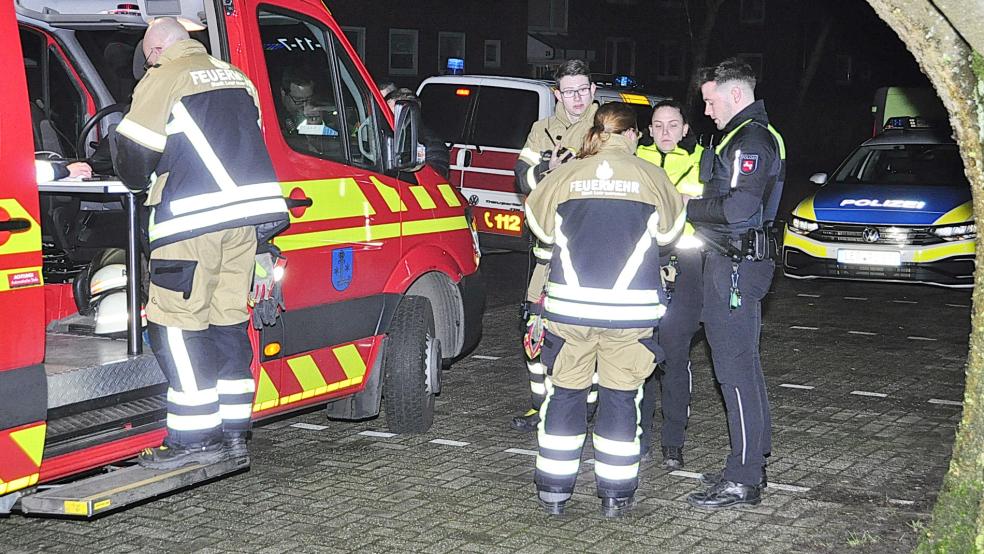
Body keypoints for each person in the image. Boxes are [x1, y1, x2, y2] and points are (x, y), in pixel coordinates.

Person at [112, 17, 289, 470]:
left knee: (177, 326)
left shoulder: (164, 77)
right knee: (228, 322)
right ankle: (233, 435)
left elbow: (135, 156)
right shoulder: (236, 76)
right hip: (244, 224)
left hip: (191, 226)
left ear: (154, 51)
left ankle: (192, 440)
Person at [526, 102, 685, 517]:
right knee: (619, 400)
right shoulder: (653, 177)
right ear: (632, 135)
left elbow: (539, 224)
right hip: (629, 318)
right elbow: (670, 232)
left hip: (569, 315)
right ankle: (615, 497)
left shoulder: (565, 175)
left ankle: (554, 494)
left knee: (564, 397)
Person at [684, 58, 785, 509]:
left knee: (734, 371)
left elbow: (740, 209)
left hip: (738, 267)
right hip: (731, 263)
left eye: (711, 100)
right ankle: (750, 460)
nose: (706, 110)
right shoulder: (738, 137)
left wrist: (685, 206)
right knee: (744, 367)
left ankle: (743, 478)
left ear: (736, 95)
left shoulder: (753, 140)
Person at [511, 59, 600, 433]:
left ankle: (588, 409)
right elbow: (521, 175)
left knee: (584, 332)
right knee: (534, 328)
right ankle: (540, 404)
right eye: (569, 91)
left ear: (593, 91)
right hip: (547, 252)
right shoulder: (541, 128)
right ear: (557, 93)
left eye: (583, 90)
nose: (577, 98)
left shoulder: (606, 126)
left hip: (590, 251)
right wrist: (548, 166)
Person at [635, 99, 704, 469]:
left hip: (687, 264)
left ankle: (673, 442)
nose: (665, 132)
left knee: (675, 355)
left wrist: (682, 200)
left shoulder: (701, 160)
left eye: (673, 125)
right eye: (658, 125)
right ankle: (640, 436)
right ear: (648, 129)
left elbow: (702, 202)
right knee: (643, 352)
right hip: (644, 264)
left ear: (685, 128)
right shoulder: (636, 157)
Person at [384, 87, 450, 178]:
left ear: (411, 115)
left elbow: (432, 178)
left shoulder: (432, 145)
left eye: (393, 115)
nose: (388, 119)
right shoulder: (386, 138)